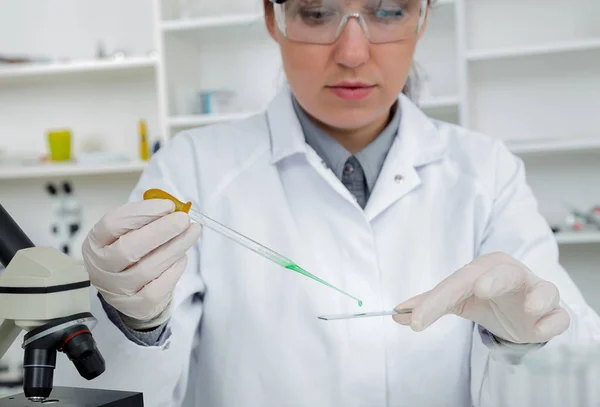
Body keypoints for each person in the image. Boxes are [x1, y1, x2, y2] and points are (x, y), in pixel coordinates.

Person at [55, 0, 600, 406]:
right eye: (317, 12)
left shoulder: (488, 171)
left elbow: (574, 374)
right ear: (273, 17)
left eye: (389, 10)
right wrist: (133, 326)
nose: (353, 53)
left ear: (425, 15)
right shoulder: (191, 168)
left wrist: (523, 341)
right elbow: (117, 391)